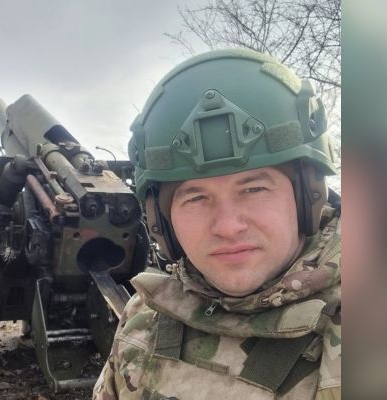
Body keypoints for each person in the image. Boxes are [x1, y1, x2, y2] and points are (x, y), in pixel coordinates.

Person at [93, 48, 340, 400]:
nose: (227, 226)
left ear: (308, 196)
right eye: (195, 198)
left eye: (254, 189)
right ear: (161, 220)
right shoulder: (144, 318)